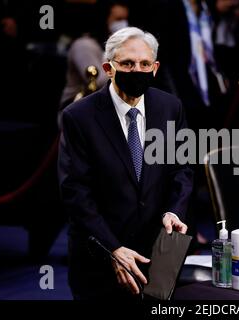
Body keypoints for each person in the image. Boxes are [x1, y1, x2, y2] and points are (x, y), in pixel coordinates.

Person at [58, 27, 194, 300]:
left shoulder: (171, 107)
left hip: (160, 251)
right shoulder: (79, 117)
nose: (137, 70)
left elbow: (183, 169)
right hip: (101, 256)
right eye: (128, 64)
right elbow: (76, 192)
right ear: (109, 68)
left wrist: (174, 211)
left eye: (144, 64)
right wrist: (113, 248)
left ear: (155, 68)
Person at [59, 1, 130, 109]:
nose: (123, 25)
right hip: (75, 111)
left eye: (125, 19)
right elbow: (97, 83)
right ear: (104, 19)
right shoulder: (84, 45)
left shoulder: (108, 45)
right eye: (118, 19)